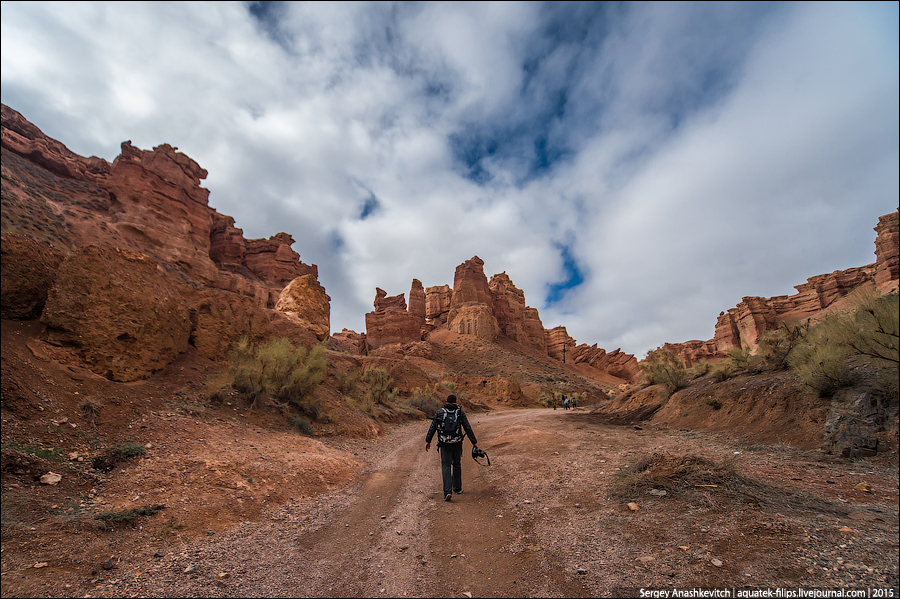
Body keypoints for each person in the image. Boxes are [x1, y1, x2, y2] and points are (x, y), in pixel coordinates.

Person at [425, 394, 479, 502]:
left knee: (446, 465)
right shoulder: (460, 412)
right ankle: (457, 488)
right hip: (457, 443)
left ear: (446, 401)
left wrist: (428, 441)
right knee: (457, 464)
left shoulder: (440, 412)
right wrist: (474, 442)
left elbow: (433, 427)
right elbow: (467, 427)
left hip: (444, 443)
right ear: (455, 402)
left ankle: (447, 491)